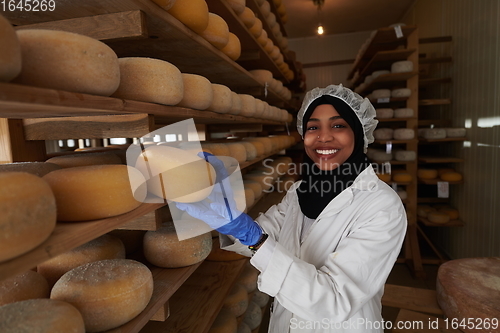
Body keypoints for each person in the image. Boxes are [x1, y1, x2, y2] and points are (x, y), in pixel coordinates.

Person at [176, 84, 407, 333]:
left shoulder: (382, 206)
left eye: (338, 125)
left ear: (359, 134)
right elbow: (263, 237)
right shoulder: (300, 192)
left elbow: (335, 302)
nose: (324, 136)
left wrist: (254, 238)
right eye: (313, 127)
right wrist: (230, 221)